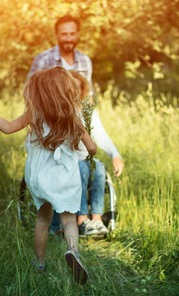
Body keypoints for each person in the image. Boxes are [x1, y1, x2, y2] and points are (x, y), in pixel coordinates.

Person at [0, 67, 97, 284]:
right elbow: (92, 148)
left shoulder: (34, 115)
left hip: (39, 178)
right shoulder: (73, 118)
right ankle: (72, 250)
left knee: (43, 219)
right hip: (64, 178)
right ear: (65, 90)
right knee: (69, 219)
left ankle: (40, 263)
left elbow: (7, 127)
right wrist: (88, 153)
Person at [28, 14, 124, 236]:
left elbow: (95, 129)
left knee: (96, 167)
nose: (68, 37)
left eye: (72, 33)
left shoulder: (85, 64)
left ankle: (95, 219)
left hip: (78, 149)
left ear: (78, 34)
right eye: (64, 33)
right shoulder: (43, 60)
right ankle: (78, 219)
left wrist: (114, 154)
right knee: (78, 167)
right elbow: (32, 94)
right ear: (57, 35)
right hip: (52, 145)